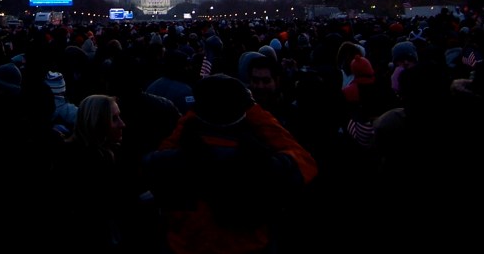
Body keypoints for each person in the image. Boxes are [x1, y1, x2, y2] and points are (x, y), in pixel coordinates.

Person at [143, 74, 318, 254]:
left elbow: (159, 154)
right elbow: (304, 160)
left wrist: (195, 113)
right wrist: (254, 110)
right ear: (242, 112)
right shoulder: (266, 167)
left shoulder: (168, 163)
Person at [51, 94, 129, 252]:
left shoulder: (72, 154)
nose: (122, 124)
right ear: (97, 123)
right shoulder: (92, 163)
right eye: (114, 118)